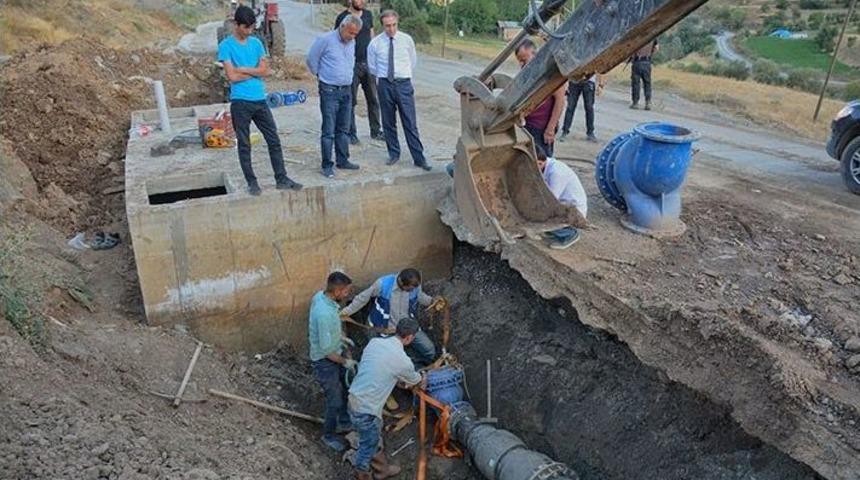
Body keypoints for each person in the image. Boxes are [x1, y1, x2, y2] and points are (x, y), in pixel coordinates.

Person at [218, 5, 302, 196]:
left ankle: (281, 178)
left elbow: (266, 71)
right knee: (245, 144)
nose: (249, 31)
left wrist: (243, 69)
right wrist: (254, 72)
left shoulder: (256, 43)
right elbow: (231, 77)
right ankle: (252, 182)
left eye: (251, 27)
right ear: (237, 25)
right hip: (240, 102)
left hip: (260, 99)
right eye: (245, 27)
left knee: (274, 139)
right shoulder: (225, 46)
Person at [348, 317, 426, 480]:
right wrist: (423, 377)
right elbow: (417, 381)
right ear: (410, 338)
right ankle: (362, 473)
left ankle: (382, 471)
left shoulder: (375, 342)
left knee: (372, 437)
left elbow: (380, 368)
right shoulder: (403, 362)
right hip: (366, 410)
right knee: (368, 446)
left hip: (353, 398)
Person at [367, 10, 432, 171]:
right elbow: (372, 67)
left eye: (394, 25)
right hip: (384, 84)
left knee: (410, 122)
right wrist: (386, 79)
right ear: (382, 25)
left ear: (398, 23)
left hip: (403, 84)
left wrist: (401, 75)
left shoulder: (406, 40)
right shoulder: (375, 44)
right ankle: (394, 153)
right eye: (387, 26)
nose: (391, 28)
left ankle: (419, 158)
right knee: (388, 122)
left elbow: (412, 60)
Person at [339, 268, 440, 367]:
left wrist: (432, 301)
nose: (411, 291)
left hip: (408, 326)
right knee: (386, 358)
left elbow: (420, 296)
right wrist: (345, 313)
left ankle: (421, 364)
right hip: (384, 328)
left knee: (429, 349)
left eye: (413, 289)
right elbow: (362, 299)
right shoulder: (382, 284)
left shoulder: (414, 287)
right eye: (408, 289)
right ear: (400, 281)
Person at [307, 16, 363, 178]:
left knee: (343, 129)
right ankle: (327, 165)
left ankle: (342, 160)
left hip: (346, 90)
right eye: (350, 33)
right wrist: (321, 76)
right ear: (342, 26)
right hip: (329, 90)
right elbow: (311, 60)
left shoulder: (352, 42)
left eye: (355, 34)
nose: (352, 37)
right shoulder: (325, 40)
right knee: (329, 130)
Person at [308, 271, 357, 453]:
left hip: (334, 350)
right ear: (337, 291)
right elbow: (327, 351)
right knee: (334, 400)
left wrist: (341, 338)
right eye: (346, 291)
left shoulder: (320, 297)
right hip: (325, 361)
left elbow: (329, 331)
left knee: (344, 390)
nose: (348, 294)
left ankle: (344, 422)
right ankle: (328, 435)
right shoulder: (324, 313)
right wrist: (346, 362)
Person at [335, 0, 383, 145]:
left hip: (368, 64)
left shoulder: (368, 15)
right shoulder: (342, 17)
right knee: (351, 101)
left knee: (373, 99)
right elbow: (337, 40)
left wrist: (375, 59)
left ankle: (376, 131)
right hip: (351, 65)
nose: (361, 2)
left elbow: (372, 36)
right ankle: (351, 133)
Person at [516, 39, 566, 157]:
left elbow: (560, 101)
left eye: (524, 60)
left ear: (535, 55)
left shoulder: (551, 73)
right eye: (520, 61)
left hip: (542, 128)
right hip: (529, 125)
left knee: (542, 160)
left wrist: (550, 129)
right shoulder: (527, 73)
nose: (522, 64)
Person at [537, 148, 588, 249]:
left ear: (539, 163)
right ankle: (556, 230)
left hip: (574, 212)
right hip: (563, 204)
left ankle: (570, 233)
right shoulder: (547, 166)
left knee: (539, 217)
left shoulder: (556, 173)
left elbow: (551, 200)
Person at [559, 74, 603, 143]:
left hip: (589, 81)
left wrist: (600, 84)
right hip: (574, 80)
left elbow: (599, 67)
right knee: (570, 107)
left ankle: (590, 132)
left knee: (589, 108)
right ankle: (565, 131)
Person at [630, 39, 659, 110]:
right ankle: (648, 103)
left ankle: (635, 103)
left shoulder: (637, 36)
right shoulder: (653, 37)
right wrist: (650, 54)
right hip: (647, 62)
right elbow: (657, 48)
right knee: (647, 83)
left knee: (636, 83)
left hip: (637, 62)